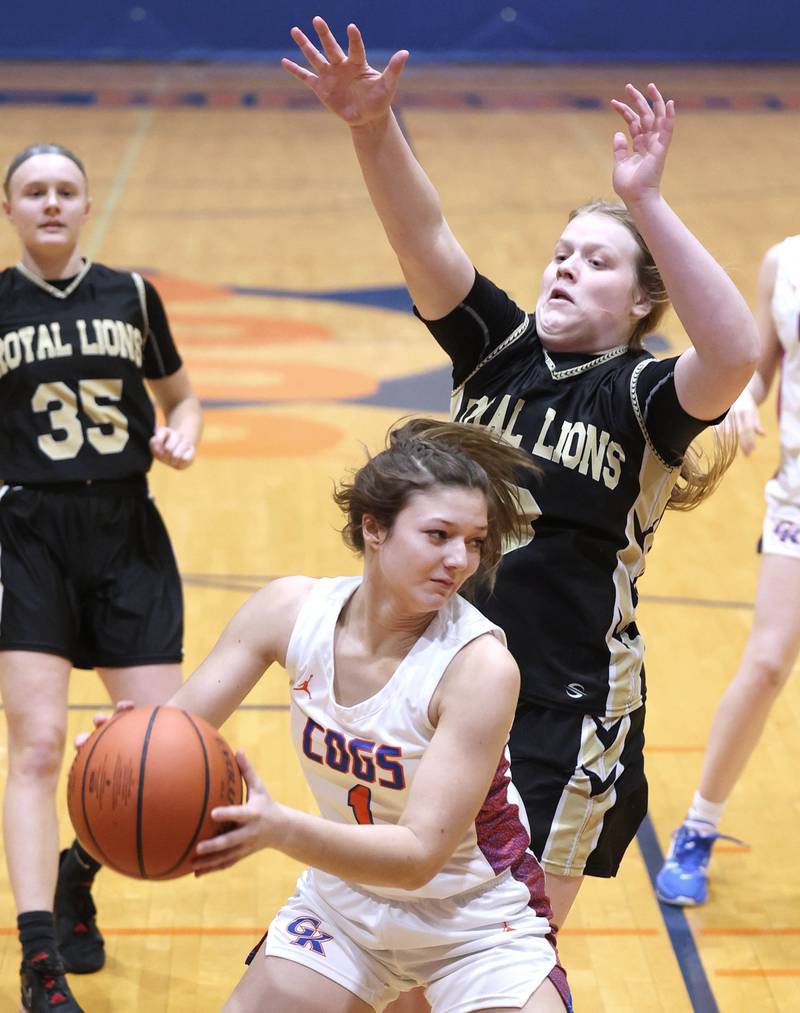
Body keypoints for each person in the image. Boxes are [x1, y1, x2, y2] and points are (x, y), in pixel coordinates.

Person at [281, 18, 760, 939]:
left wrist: (647, 202)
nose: (568, 269)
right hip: (448, 681)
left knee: (502, 946)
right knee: (418, 942)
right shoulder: (495, 349)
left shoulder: (647, 394)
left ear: (642, 301)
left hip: (564, 707)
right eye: (562, 253)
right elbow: (422, 234)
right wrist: (370, 126)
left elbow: (734, 350)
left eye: (598, 261)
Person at [117, 416, 570, 1012]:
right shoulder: (289, 612)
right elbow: (177, 730)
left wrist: (279, 828)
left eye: (476, 541)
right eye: (438, 535)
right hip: (343, 908)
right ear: (374, 528)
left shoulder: (479, 667)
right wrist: (128, 744)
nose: (460, 559)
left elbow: (415, 858)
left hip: (476, 924)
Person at [0, 142, 202, 1013]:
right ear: (9, 209)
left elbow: (182, 394)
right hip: (27, 533)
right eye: (33, 191)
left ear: (87, 206)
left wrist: (184, 430)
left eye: (65, 190)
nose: (51, 202)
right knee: (38, 744)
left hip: (126, 526)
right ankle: (39, 958)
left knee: (167, 738)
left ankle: (79, 871)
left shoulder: (134, 295)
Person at [656, 236, 800, 906]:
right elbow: (764, 367)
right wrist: (747, 397)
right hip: (797, 495)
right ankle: (699, 827)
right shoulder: (783, 262)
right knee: (767, 662)